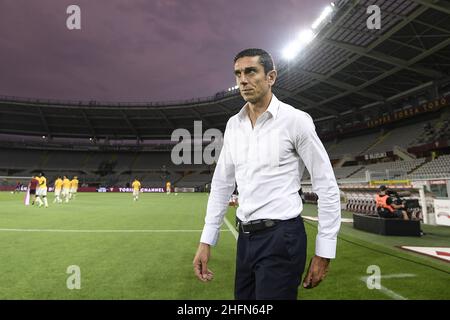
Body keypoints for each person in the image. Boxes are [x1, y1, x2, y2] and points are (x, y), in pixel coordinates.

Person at [193, 48, 341, 300]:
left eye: (251, 72)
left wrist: (324, 251)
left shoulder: (296, 121)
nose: (242, 80)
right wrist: (206, 241)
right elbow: (221, 184)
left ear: (271, 77)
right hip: (246, 239)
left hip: (282, 238)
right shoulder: (233, 125)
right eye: (238, 73)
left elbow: (326, 184)